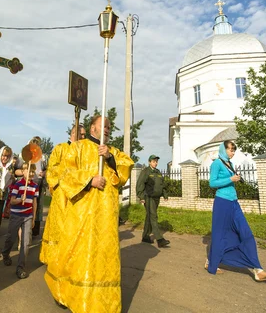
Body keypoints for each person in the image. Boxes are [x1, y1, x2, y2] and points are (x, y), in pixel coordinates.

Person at [45, 115, 133, 313]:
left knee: (103, 256)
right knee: (75, 251)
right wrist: (89, 180)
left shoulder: (114, 152)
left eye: (110, 127)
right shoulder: (76, 148)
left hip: (106, 216)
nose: (108, 130)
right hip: (82, 212)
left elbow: (124, 173)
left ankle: (101, 300)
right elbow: (66, 175)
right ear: (93, 127)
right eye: (104, 126)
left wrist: (109, 158)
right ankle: (67, 292)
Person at [206, 140, 266, 282]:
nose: (232, 153)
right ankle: (211, 262)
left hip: (233, 203)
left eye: (234, 150)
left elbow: (227, 181)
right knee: (220, 235)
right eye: (230, 150)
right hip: (222, 203)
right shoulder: (216, 163)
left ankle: (258, 270)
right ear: (223, 149)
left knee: (246, 233)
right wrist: (230, 178)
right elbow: (212, 183)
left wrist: (232, 179)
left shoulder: (229, 164)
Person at [39, 124, 85, 266]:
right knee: (59, 225)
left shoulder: (85, 151)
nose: (84, 137)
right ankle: (54, 258)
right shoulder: (60, 148)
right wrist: (68, 173)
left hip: (79, 194)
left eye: (84, 134)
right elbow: (52, 168)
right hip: (62, 194)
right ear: (73, 134)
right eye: (81, 134)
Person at [1, 162, 38, 279]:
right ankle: (5, 253)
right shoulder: (17, 185)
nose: (31, 173)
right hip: (16, 215)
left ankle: (20, 267)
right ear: (23, 172)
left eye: (33, 171)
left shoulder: (35, 186)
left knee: (26, 242)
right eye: (28, 171)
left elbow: (35, 203)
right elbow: (12, 201)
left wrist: (34, 218)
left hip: (28, 216)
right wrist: (19, 200)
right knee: (11, 237)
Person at [136, 154, 170, 247]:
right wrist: (141, 197)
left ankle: (145, 236)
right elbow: (140, 184)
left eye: (156, 161)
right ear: (149, 162)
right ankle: (160, 239)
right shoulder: (145, 171)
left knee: (149, 216)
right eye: (154, 161)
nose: (156, 163)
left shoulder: (158, 172)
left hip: (156, 198)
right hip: (149, 197)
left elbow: (162, 185)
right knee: (153, 216)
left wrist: (165, 195)